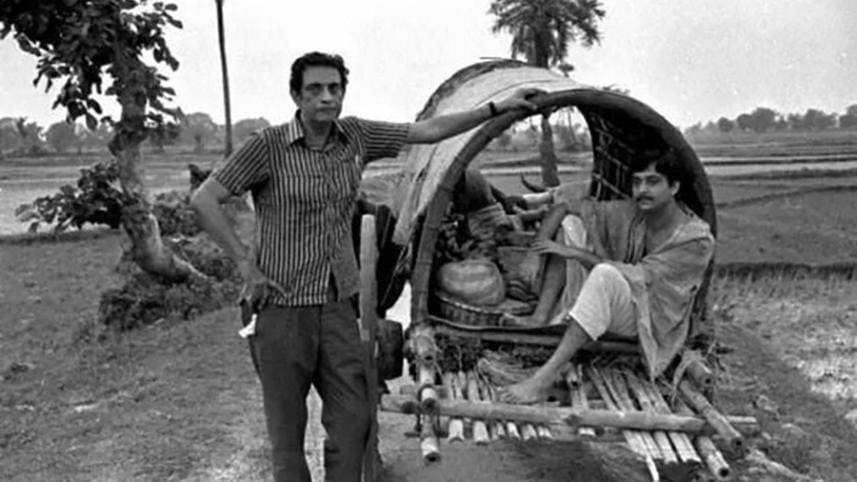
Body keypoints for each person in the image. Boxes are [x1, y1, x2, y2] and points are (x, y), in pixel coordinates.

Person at [190, 51, 538, 482]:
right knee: (286, 437)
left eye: (334, 88)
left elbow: (426, 131)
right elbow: (204, 200)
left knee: (354, 423)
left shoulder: (356, 137)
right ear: (296, 94)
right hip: (281, 308)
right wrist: (247, 266)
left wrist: (494, 108)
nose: (326, 98)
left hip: (338, 306)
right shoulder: (268, 146)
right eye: (315, 89)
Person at [498, 148, 715, 404]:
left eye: (653, 182)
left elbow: (642, 278)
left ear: (675, 187)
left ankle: (542, 379)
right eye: (637, 182)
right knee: (571, 226)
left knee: (604, 274)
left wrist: (576, 254)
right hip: (625, 297)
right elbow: (566, 205)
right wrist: (536, 251)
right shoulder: (635, 212)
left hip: (651, 319)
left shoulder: (695, 240)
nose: (642, 190)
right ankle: (540, 316)